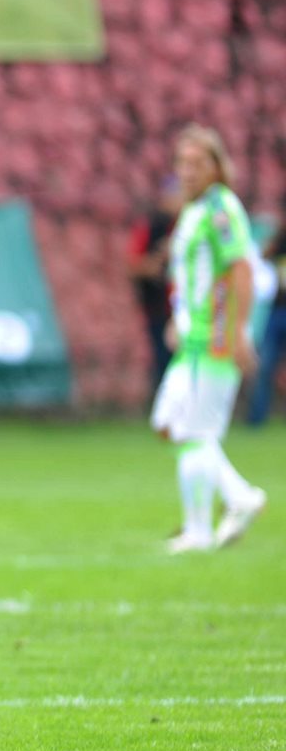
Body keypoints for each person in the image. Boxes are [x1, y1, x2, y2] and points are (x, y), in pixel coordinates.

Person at [150, 123, 266, 554]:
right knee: (167, 422)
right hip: (192, 339)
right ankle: (239, 497)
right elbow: (190, 276)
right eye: (183, 162)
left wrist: (238, 332)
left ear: (218, 166)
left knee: (193, 430)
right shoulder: (193, 211)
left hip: (214, 338)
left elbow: (240, 268)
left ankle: (198, 530)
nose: (188, 171)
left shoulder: (221, 209)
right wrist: (178, 318)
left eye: (199, 163)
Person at [128, 175, 182, 399]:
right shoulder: (152, 227)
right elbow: (133, 266)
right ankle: (163, 408)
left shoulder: (192, 224)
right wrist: (158, 262)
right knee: (163, 359)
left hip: (187, 308)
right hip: (159, 307)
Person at [246, 204, 286, 425]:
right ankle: (256, 418)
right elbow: (260, 257)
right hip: (277, 311)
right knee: (265, 366)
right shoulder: (278, 243)